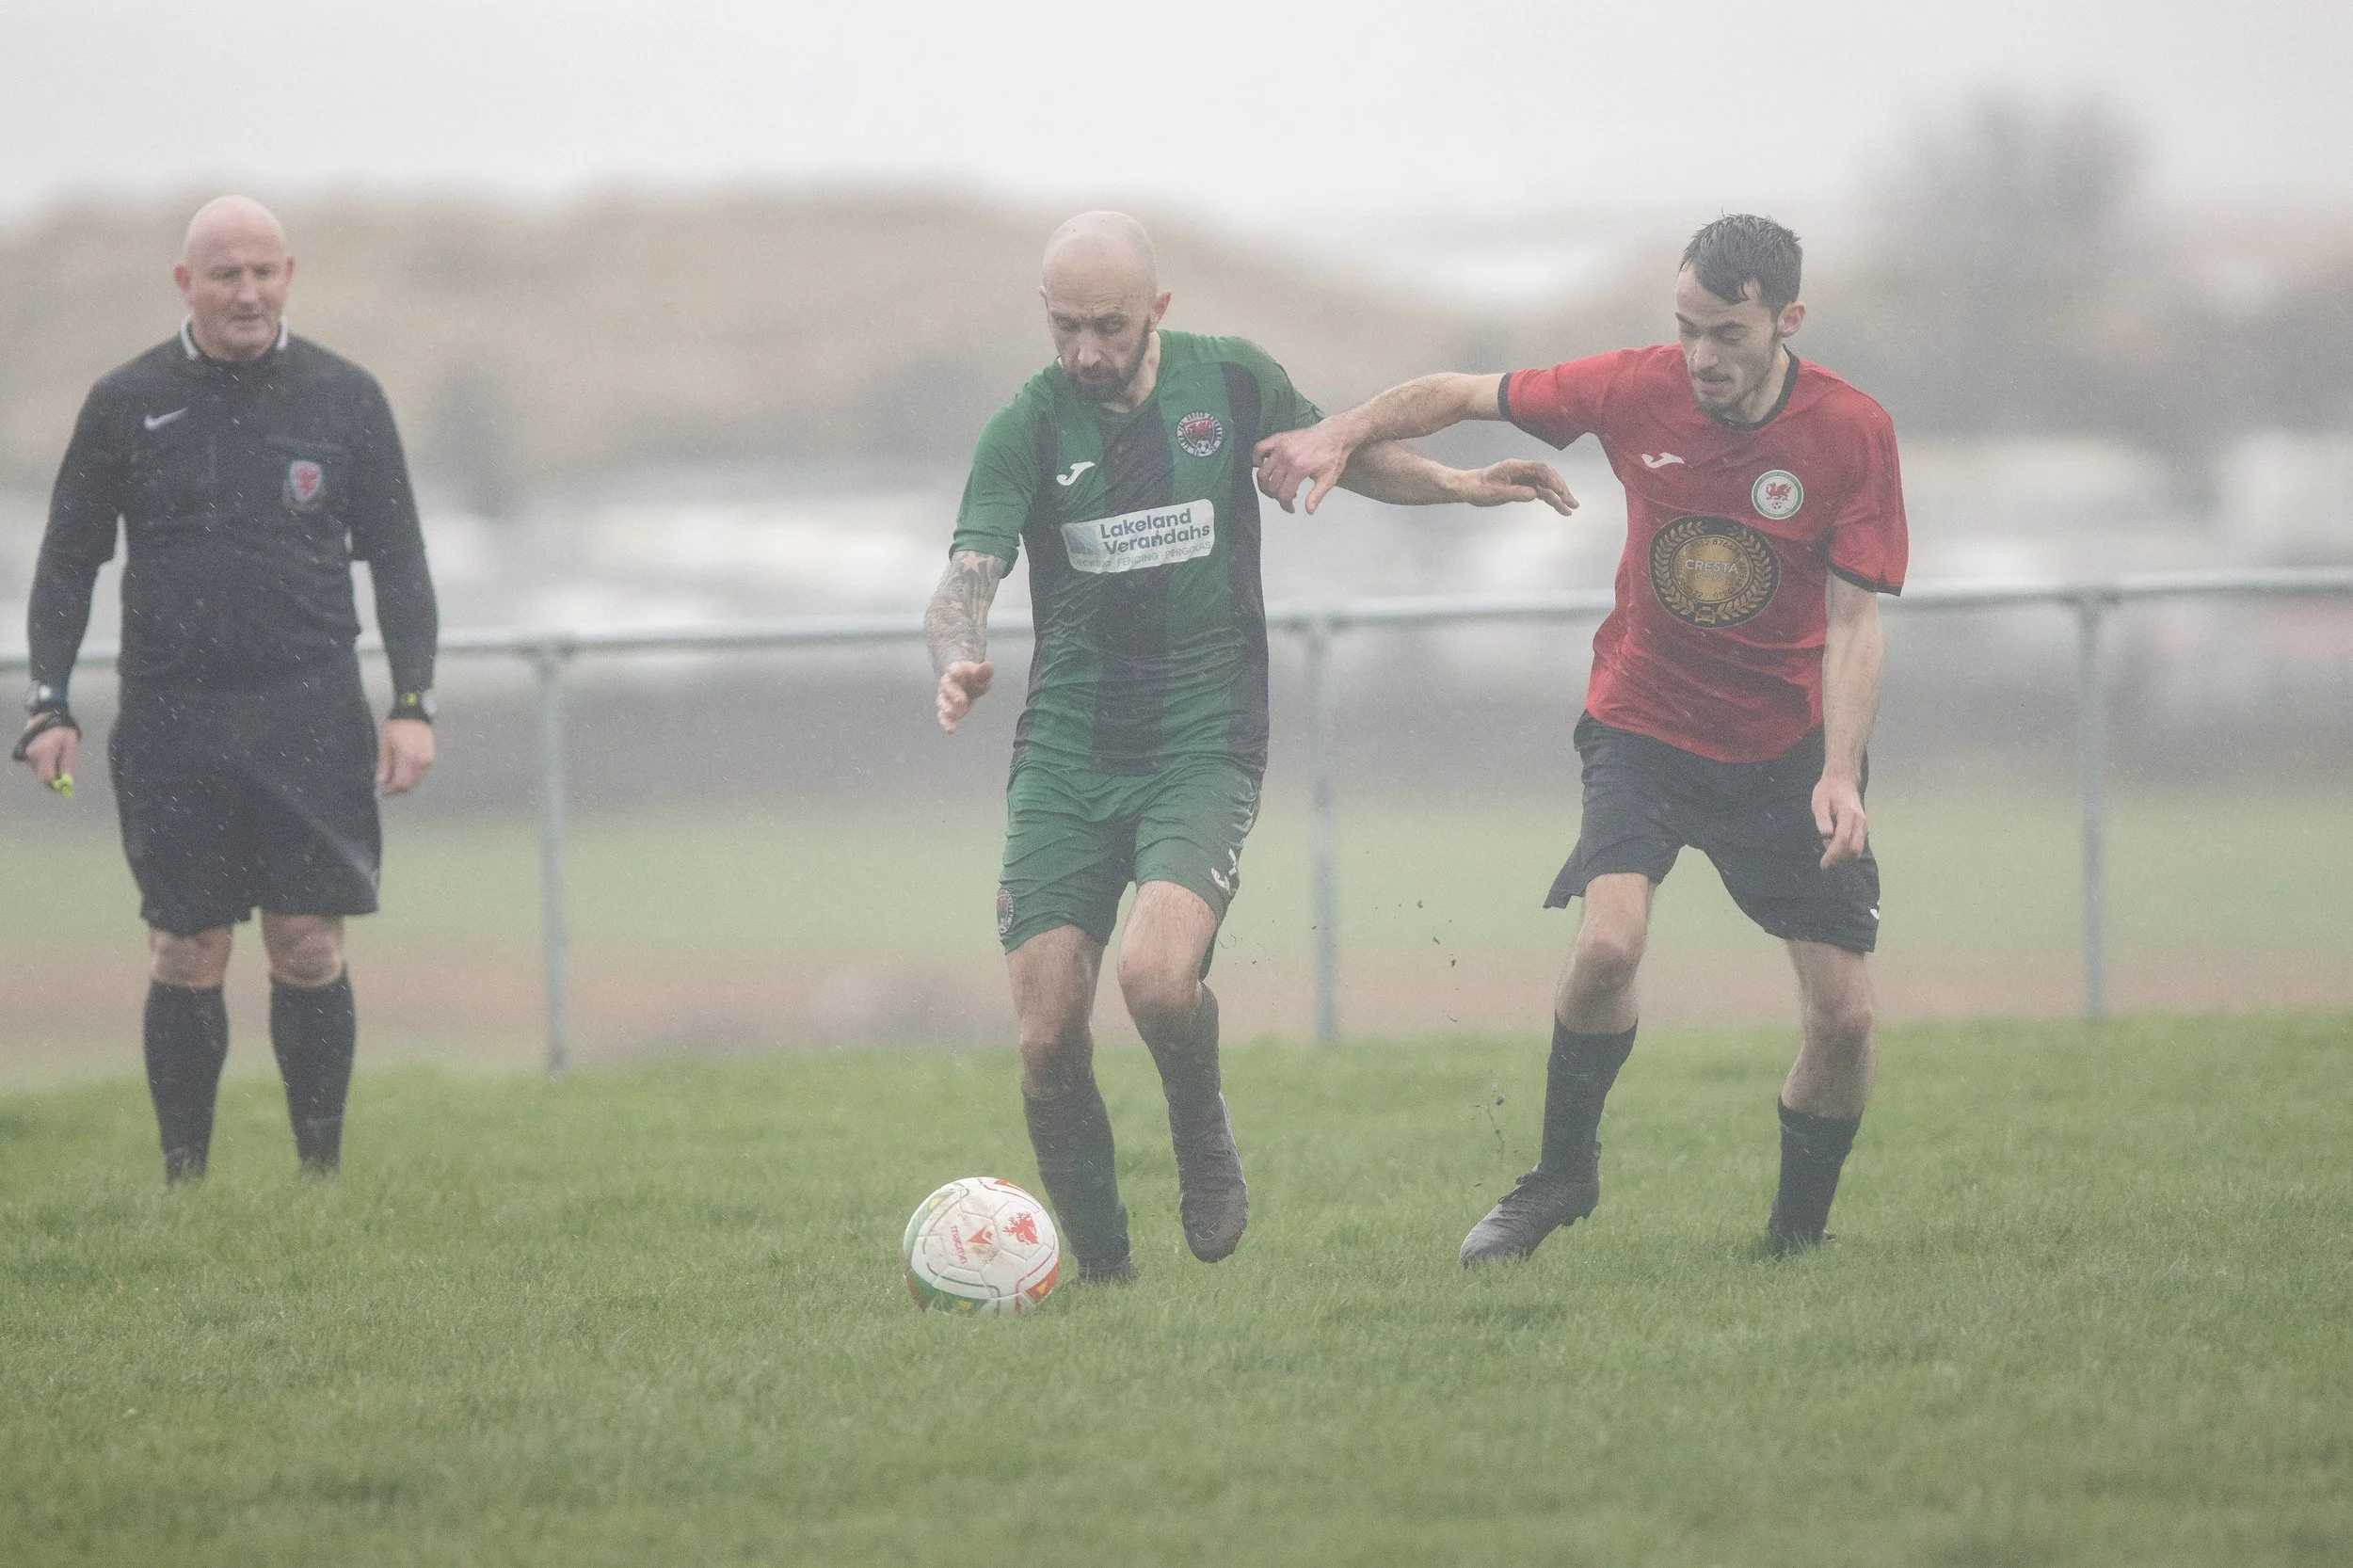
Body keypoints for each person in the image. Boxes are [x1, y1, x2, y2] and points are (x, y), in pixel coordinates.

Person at [927, 211, 1571, 1282]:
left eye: (1110, 325)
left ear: (1158, 313)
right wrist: (956, 652)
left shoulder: (1229, 384)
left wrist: (1458, 487)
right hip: (1068, 751)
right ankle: (1102, 1274)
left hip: (1202, 735)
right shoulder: (1026, 429)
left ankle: (1199, 1130)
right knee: (1046, 1038)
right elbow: (966, 573)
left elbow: (1346, 456)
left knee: (1156, 980)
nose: (1087, 350)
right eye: (1067, 328)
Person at [1256, 215, 1907, 1262]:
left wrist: (1838, 771)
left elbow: (1854, 622)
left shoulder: (1850, 430)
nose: (1701, 357)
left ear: (1787, 320)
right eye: (1687, 328)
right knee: (1606, 945)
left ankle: (1795, 1243)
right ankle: (1559, 1177)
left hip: (1789, 752)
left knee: (1843, 1021)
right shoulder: (1628, 386)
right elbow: (1463, 392)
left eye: (1728, 335)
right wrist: (1336, 433)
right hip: (1643, 722)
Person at [15, 196, 440, 1184]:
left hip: (310, 705)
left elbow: (403, 565)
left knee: (305, 943)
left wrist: (413, 703)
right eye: (223, 275)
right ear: (185, 285)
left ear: (289, 275)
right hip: (172, 715)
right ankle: (185, 1183)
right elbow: (69, 561)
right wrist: (48, 702)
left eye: (262, 273)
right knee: (187, 946)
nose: (245, 293)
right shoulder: (125, 402)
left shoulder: (348, 397)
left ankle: (320, 1177)